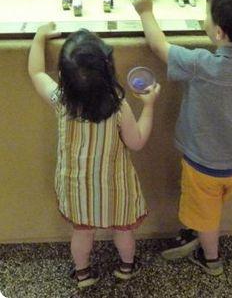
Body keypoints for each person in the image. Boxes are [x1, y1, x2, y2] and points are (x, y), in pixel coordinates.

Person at [132, 0, 232, 276]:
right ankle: (198, 227)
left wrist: (145, 11)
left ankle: (210, 258)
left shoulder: (200, 64)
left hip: (203, 166)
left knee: (207, 216)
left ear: (218, 32)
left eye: (207, 16)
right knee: (211, 205)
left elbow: (158, 45)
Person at [28, 23, 160, 289]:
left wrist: (39, 37)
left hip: (78, 191)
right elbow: (136, 142)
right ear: (109, 70)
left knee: (82, 232)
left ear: (64, 76)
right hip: (116, 188)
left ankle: (83, 273)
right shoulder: (119, 107)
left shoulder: (61, 101)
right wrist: (149, 106)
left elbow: (36, 72)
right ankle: (126, 267)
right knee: (124, 231)